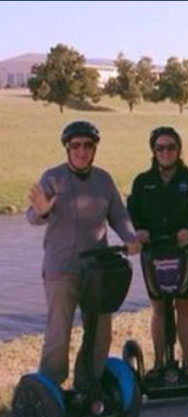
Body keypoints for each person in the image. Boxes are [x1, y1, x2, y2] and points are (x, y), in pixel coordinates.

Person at [28, 120, 142, 387]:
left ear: (94, 149)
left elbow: (118, 215)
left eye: (88, 146)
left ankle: (89, 385)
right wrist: (43, 210)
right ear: (67, 148)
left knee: (100, 330)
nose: (82, 151)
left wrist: (131, 238)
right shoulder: (52, 177)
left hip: (98, 270)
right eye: (76, 145)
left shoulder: (103, 179)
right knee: (59, 333)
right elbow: (34, 216)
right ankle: (51, 391)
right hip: (61, 269)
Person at [128, 126, 188, 374]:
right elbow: (133, 213)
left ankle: (187, 361)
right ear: (153, 150)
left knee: (184, 303)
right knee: (159, 305)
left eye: (171, 147)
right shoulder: (143, 182)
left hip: (187, 249)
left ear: (179, 149)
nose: (165, 152)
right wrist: (139, 231)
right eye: (160, 148)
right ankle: (160, 362)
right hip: (154, 251)